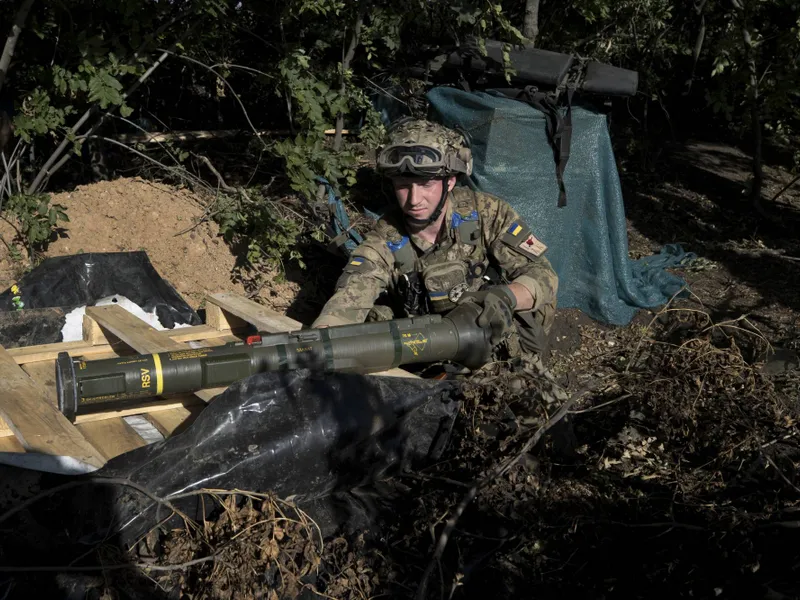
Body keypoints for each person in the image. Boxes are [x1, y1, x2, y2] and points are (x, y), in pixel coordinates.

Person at [312, 117, 559, 362]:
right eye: (403, 186)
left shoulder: (487, 213)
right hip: (430, 356)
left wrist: (506, 297)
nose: (414, 199)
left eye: (426, 184)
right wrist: (321, 340)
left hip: (493, 345)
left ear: (449, 181)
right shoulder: (386, 238)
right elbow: (351, 295)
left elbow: (543, 274)